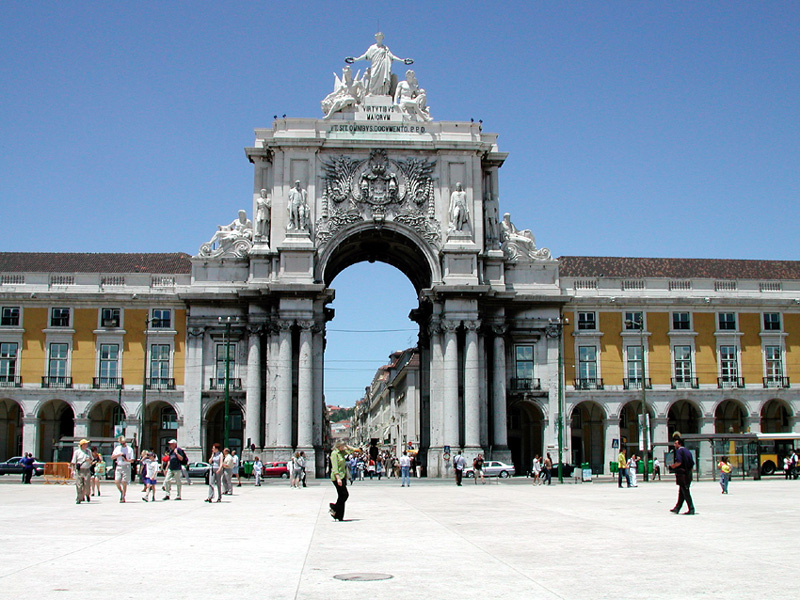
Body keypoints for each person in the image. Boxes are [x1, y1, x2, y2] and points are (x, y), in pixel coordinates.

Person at [345, 32, 413, 96]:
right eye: (378, 37)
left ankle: (384, 93)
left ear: (382, 38)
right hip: (375, 65)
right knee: (373, 76)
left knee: (384, 79)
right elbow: (365, 55)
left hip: (383, 65)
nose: (379, 38)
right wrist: (356, 59)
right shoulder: (372, 47)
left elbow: (392, 56)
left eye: (380, 37)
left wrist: (402, 60)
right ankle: (372, 92)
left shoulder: (385, 48)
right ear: (376, 38)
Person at [669, 436, 695, 515]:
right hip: (688, 474)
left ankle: (691, 509)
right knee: (682, 491)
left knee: (685, 492)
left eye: (675, 443)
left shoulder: (679, 451)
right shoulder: (687, 451)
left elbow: (679, 462)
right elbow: (692, 463)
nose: (674, 445)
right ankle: (677, 508)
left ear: (679, 444)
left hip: (682, 475)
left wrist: (672, 466)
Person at [329, 441, 353, 521]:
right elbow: (335, 467)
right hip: (337, 477)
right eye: (343, 446)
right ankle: (334, 507)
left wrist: (348, 446)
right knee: (345, 494)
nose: (344, 447)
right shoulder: (334, 453)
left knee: (341, 496)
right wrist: (338, 478)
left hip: (343, 476)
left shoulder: (341, 452)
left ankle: (339, 515)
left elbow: (351, 451)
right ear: (339, 446)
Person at [111, 435, 134, 503]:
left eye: (123, 443)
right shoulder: (117, 448)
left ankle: (123, 496)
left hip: (126, 466)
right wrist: (119, 454)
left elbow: (132, 460)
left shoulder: (129, 449)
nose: (122, 444)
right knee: (117, 481)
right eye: (121, 443)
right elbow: (112, 457)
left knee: (124, 482)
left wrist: (127, 460)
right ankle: (121, 491)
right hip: (119, 466)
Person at [70, 439, 93, 504]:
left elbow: (92, 460)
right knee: (79, 485)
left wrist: (89, 460)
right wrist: (72, 471)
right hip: (79, 470)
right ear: (82, 445)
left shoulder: (88, 451)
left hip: (87, 470)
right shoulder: (77, 452)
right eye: (85, 444)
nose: (86, 445)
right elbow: (73, 462)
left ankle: (87, 494)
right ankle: (79, 498)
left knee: (87, 484)